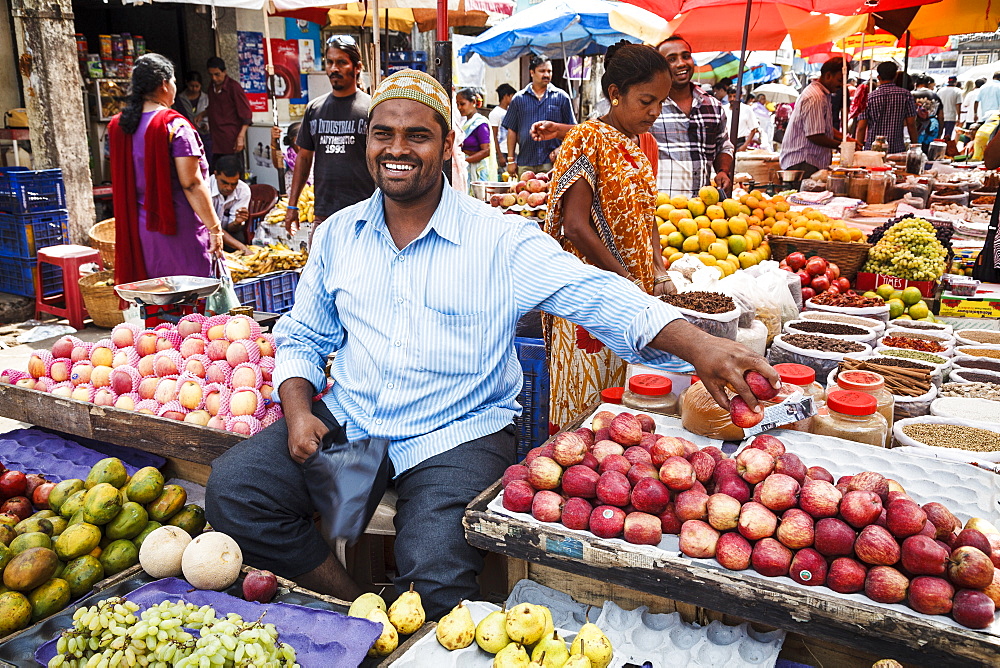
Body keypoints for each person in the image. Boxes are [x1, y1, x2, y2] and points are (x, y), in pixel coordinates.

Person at [203, 68, 780, 621]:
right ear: (367, 140)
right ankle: (357, 604)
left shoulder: (499, 239)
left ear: (448, 143)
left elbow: (596, 294)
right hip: (357, 422)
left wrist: (700, 347)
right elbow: (304, 334)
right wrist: (300, 412)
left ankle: (405, 621)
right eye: (383, 133)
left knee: (435, 572)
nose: (397, 148)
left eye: (417, 135)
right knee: (238, 495)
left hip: (455, 432)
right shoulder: (338, 233)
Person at [542, 41, 678, 431]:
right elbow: (576, 226)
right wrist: (625, 280)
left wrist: (658, 269)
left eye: (661, 103)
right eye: (646, 101)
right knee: (587, 414)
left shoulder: (638, 142)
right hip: (591, 296)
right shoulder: (587, 139)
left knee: (624, 411)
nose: (654, 112)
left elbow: (645, 213)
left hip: (630, 297)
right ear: (615, 95)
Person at [107, 53, 222, 286]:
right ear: (164, 84)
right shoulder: (175, 126)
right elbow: (191, 183)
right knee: (188, 300)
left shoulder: (119, 126)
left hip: (139, 231)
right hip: (178, 229)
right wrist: (215, 227)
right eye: (174, 81)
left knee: (152, 297)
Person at [284, 35, 375, 238]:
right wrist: (292, 206)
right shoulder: (314, 109)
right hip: (324, 215)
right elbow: (304, 158)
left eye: (342, 62)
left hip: (364, 215)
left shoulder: (371, 108)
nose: (334, 68)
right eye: (330, 62)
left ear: (357, 67)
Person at [650, 35, 733, 195]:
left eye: (686, 56)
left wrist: (722, 171)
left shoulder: (712, 106)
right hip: (660, 209)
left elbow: (723, 145)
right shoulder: (650, 107)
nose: (681, 63)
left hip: (700, 211)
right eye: (671, 59)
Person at [779, 58, 854, 179]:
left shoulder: (822, 95)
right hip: (804, 162)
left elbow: (823, 127)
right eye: (839, 80)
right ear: (828, 75)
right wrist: (842, 146)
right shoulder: (816, 97)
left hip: (810, 162)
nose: (841, 85)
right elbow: (815, 135)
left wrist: (845, 139)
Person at [503, 56, 576, 177]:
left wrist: (561, 149)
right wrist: (511, 160)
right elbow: (512, 130)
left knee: (550, 194)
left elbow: (573, 129)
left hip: (552, 162)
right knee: (524, 194)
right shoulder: (519, 99)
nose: (546, 74)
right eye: (542, 71)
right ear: (532, 72)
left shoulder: (561, 97)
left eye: (549, 71)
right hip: (525, 162)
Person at [857, 62, 919, 155]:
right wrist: (915, 147)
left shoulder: (869, 97)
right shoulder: (906, 95)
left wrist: (858, 149)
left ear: (878, 77)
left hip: (872, 149)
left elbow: (861, 127)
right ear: (895, 76)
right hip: (896, 149)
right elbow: (911, 124)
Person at [205, 57, 252, 168]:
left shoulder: (234, 87)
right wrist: (203, 114)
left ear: (224, 72)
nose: (214, 78)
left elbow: (246, 114)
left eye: (217, 74)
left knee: (232, 171)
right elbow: (214, 108)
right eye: (211, 75)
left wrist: (241, 137)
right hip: (216, 140)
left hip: (231, 140)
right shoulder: (211, 88)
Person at [209, 155, 253, 253]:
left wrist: (237, 222)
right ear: (215, 175)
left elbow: (232, 228)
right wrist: (243, 248)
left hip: (227, 231)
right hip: (207, 230)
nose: (229, 188)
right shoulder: (205, 187)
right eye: (224, 182)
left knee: (238, 236)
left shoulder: (243, 190)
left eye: (234, 184)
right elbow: (210, 227)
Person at [455, 88, 496, 191]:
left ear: (473, 102)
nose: (459, 108)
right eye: (457, 104)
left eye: (462, 104)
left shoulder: (480, 124)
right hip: (467, 169)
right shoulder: (464, 123)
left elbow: (486, 151)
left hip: (477, 171)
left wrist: (464, 161)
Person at [270, 122, 306, 194]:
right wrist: (274, 142)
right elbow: (278, 164)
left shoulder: (316, 156)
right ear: (291, 141)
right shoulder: (288, 159)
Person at [173, 71, 209, 142]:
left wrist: (206, 126)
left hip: (205, 135)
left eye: (197, 86)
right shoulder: (180, 99)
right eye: (191, 86)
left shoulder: (206, 98)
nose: (194, 89)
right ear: (187, 83)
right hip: (188, 135)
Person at [489, 83, 516, 178]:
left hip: (510, 152)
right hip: (501, 151)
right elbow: (493, 136)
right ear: (506, 96)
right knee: (502, 178)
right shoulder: (495, 113)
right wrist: (499, 155)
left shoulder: (511, 111)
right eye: (512, 96)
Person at [912, 75, 944, 141]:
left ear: (916, 84)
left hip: (916, 124)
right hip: (933, 125)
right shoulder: (935, 95)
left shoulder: (912, 94)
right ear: (928, 84)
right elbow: (941, 116)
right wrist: (940, 132)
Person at [938, 76, 963, 140]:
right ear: (955, 82)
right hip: (951, 117)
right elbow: (958, 105)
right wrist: (959, 117)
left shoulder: (940, 90)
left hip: (940, 116)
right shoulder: (958, 91)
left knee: (938, 135)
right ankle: (946, 149)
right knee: (948, 136)